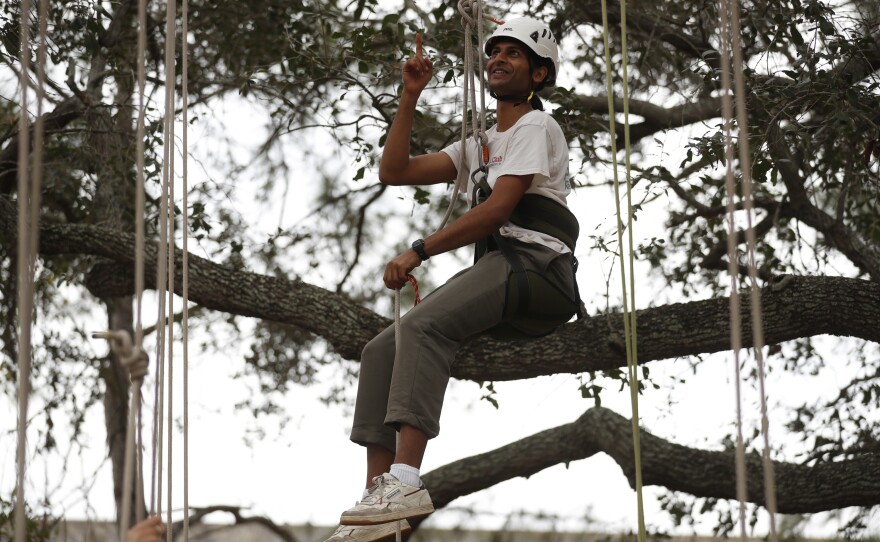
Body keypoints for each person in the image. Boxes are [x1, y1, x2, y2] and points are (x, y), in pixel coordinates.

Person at [324, 17, 577, 542]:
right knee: (380, 351)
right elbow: (394, 171)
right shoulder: (480, 143)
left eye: (514, 53)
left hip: (537, 270)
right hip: (502, 271)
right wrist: (410, 95)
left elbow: (498, 210)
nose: (499, 59)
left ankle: (405, 480)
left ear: (538, 73)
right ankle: (380, 504)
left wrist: (419, 250)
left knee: (422, 328)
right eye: (495, 52)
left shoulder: (534, 126)